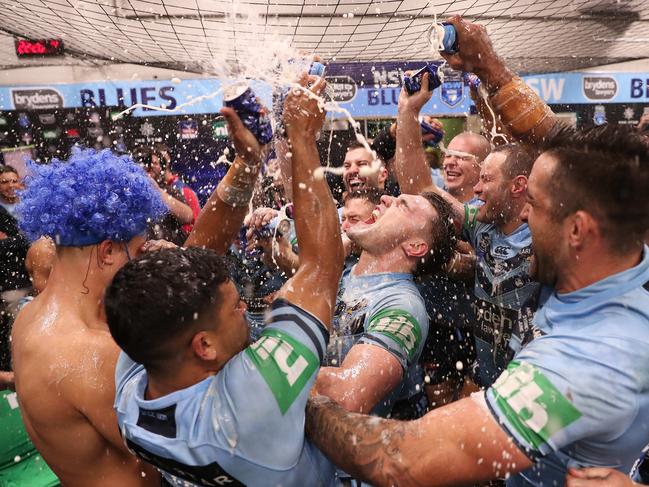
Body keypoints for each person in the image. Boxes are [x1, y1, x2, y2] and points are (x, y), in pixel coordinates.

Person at [304, 20, 649, 486]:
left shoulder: (588, 359)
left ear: (578, 231)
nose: (526, 219)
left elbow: (402, 461)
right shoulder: (618, 282)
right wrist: (488, 68)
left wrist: (297, 396)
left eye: (536, 206)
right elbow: (551, 140)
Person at [11, 98, 265, 487]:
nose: (147, 255)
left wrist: (244, 167)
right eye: (140, 248)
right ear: (109, 250)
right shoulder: (93, 353)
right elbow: (216, 451)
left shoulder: (32, 317)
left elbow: (196, 261)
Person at [108, 73, 344, 486]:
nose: (245, 310)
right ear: (204, 346)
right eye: (235, 308)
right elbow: (321, 268)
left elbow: (197, 256)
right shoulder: (249, 403)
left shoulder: (135, 389)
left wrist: (247, 163)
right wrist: (302, 140)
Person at [395, 66, 540, 388]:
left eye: (486, 179)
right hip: (486, 376)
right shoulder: (481, 226)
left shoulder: (547, 237)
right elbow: (421, 191)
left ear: (518, 186)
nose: (477, 190)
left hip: (533, 387)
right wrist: (408, 111)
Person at [135, 145, 201, 245]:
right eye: (147, 163)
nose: (151, 167)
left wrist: (156, 190)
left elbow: (189, 217)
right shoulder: (131, 190)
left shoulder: (172, 190)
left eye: (155, 163)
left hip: (168, 253)